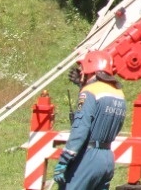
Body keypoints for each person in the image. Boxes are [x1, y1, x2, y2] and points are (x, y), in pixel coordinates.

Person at [53, 52, 126, 190]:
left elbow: (80, 130)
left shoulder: (90, 92)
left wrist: (64, 160)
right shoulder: (118, 93)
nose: (80, 73)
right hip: (107, 159)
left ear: (90, 68)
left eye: (82, 70)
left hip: (88, 157)